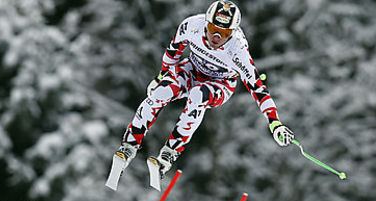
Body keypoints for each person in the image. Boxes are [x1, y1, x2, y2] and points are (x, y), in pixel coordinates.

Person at [114, 0, 294, 179]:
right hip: (192, 69)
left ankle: (170, 153)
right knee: (160, 93)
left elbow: (259, 89)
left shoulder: (238, 50)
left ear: (232, 33)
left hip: (221, 83)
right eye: (213, 28)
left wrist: (275, 123)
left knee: (198, 96)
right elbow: (173, 51)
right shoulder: (192, 25)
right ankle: (129, 146)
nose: (216, 36)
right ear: (206, 23)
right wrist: (161, 77)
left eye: (223, 33)